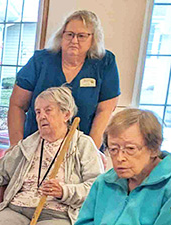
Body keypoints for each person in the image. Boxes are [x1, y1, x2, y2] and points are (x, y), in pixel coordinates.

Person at [0, 86, 103, 225]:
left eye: (48, 110)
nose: (41, 116)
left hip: (59, 215)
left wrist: (64, 191)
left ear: (66, 114)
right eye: (37, 112)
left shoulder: (83, 145)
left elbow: (97, 189)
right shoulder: (29, 143)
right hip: (16, 209)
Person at [8, 10, 119, 148]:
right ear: (62, 36)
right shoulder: (41, 60)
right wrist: (16, 146)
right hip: (36, 145)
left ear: (93, 38)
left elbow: (105, 110)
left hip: (81, 147)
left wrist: (91, 151)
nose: (74, 40)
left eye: (82, 36)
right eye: (69, 34)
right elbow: (17, 104)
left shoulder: (105, 62)